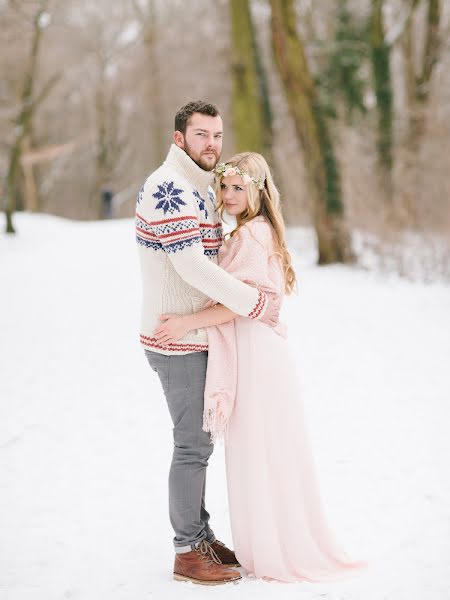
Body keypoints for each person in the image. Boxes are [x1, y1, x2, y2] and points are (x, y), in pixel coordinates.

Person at [153, 152, 365, 582]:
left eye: (238, 188)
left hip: (257, 353)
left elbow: (239, 304)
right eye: (224, 187)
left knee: (259, 450)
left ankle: (273, 547)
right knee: (263, 448)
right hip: (256, 350)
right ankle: (270, 540)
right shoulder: (252, 230)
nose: (229, 196)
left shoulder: (252, 235)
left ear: (258, 190)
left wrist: (187, 322)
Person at [136, 101, 278, 586]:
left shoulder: (199, 183)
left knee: (199, 443)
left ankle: (201, 534)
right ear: (180, 139)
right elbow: (192, 266)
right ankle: (185, 551)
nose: (212, 144)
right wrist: (255, 303)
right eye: (201, 135)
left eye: (217, 135)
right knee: (191, 445)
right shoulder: (168, 187)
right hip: (175, 337)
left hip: (197, 334)